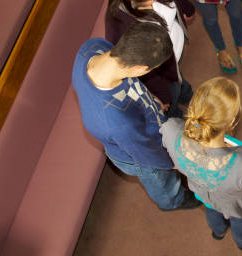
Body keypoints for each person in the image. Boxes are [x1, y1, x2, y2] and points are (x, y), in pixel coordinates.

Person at [72, 22, 201, 211]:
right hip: (142, 156)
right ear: (141, 68)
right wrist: (173, 162)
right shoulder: (117, 123)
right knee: (162, 181)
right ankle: (174, 200)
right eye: (153, 68)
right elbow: (148, 153)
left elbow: (128, 80)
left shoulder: (94, 48)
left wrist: (148, 97)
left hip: (140, 131)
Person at [160, 77, 242, 250]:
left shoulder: (170, 128)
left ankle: (218, 231)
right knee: (240, 220)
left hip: (202, 193)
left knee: (212, 210)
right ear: (230, 122)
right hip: (234, 205)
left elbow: (174, 162)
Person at [105, 0, 195, 118]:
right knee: (173, 102)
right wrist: (158, 96)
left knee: (181, 83)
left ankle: (187, 96)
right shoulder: (121, 24)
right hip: (160, 76)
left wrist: (187, 8)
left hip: (173, 63)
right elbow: (132, 67)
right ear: (133, 0)